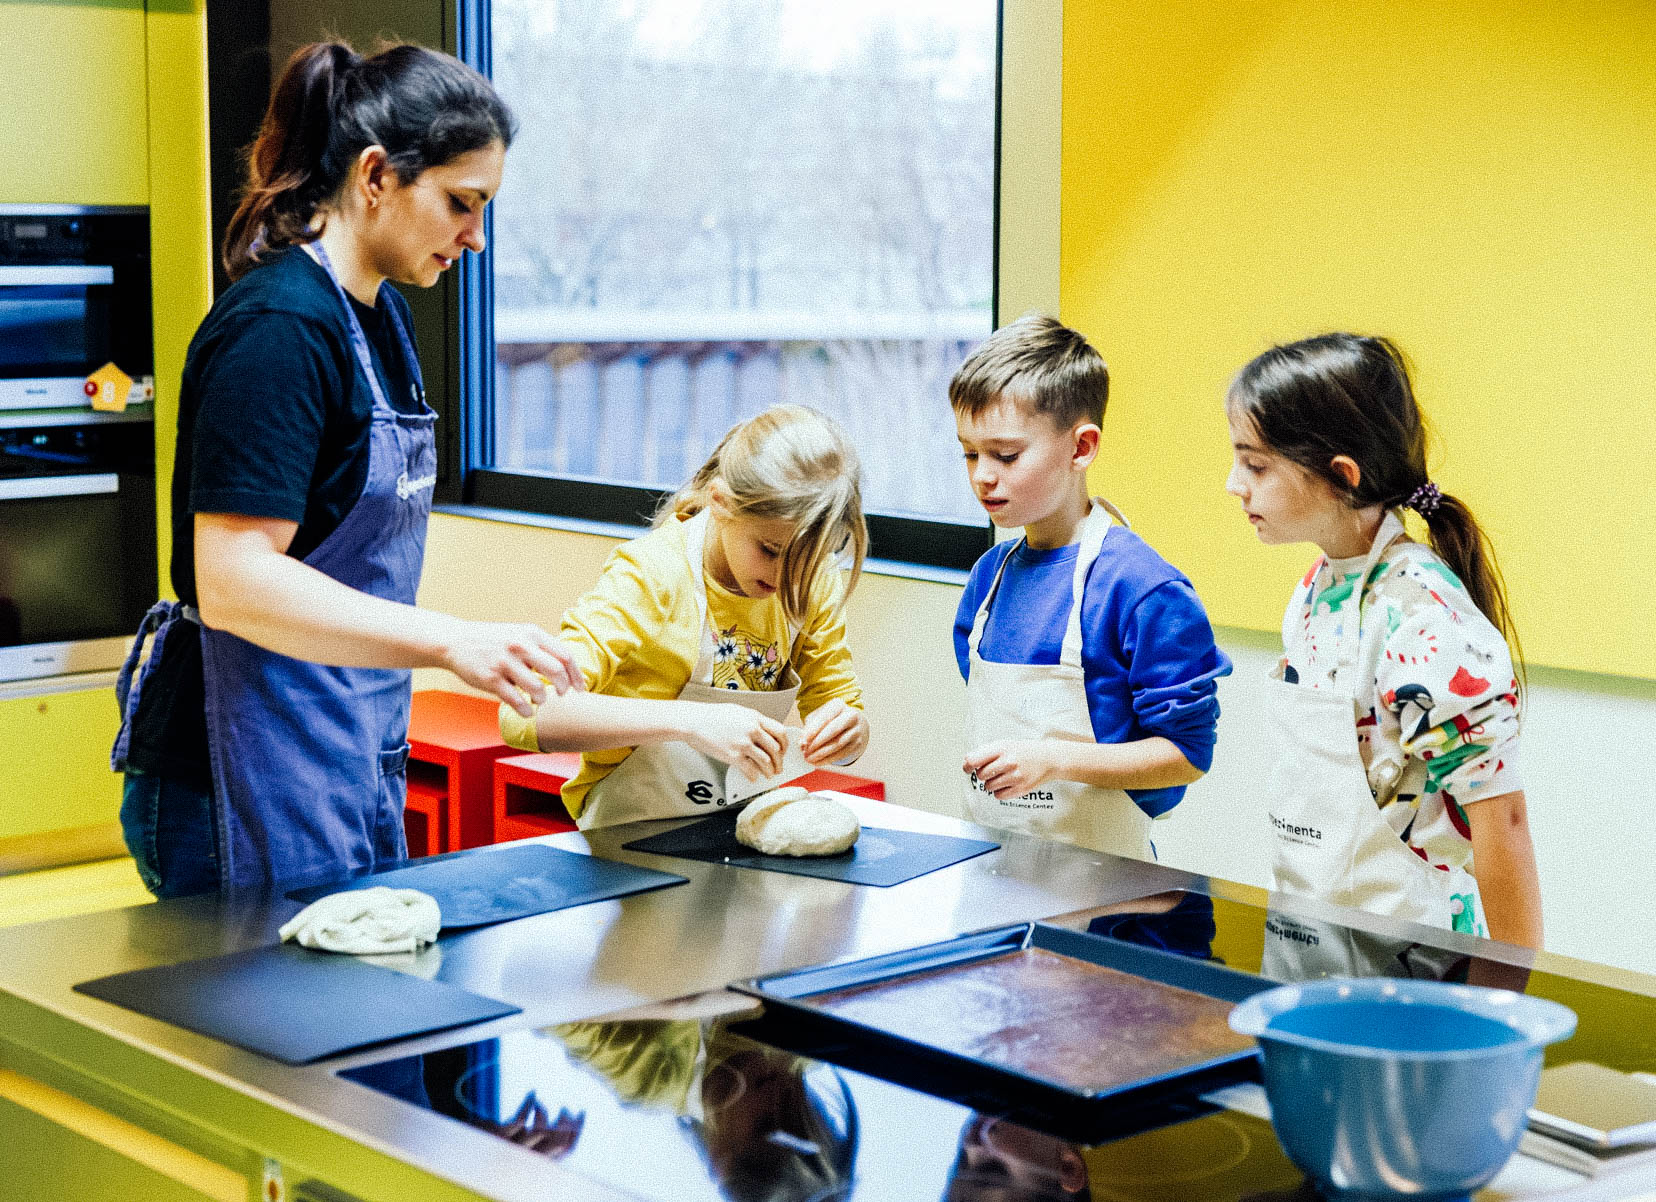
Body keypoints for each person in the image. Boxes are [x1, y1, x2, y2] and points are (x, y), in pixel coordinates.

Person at [111, 41, 580, 898]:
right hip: (239, 765)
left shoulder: (381, 319)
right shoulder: (281, 330)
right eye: (460, 203)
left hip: (342, 746)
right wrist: (452, 641)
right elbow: (233, 579)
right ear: (375, 176)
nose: (476, 238)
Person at [1224, 332, 1541, 947]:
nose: (1234, 484)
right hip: (1311, 928)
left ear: (1341, 477)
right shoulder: (1316, 587)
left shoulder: (1422, 619)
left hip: (1414, 949)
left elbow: (1502, 819)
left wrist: (1510, 985)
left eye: (1256, 465)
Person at [500, 404, 869, 828]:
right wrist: (694, 721)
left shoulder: (812, 582)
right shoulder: (652, 574)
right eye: (771, 550)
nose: (789, 578)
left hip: (738, 823)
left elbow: (837, 703)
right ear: (721, 503)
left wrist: (850, 733)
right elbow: (527, 713)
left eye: (809, 560)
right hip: (627, 829)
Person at [951, 315, 1230, 859]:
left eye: (1006, 455)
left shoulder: (1142, 588)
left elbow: (1187, 755)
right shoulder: (988, 579)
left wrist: (1054, 759)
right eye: (970, 453)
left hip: (1107, 881)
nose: (983, 475)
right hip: (992, 865)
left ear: (1081, 448)